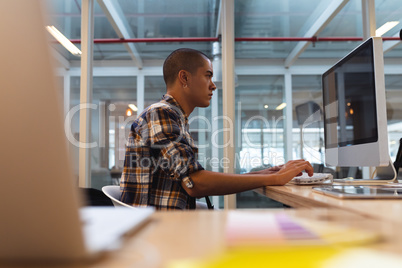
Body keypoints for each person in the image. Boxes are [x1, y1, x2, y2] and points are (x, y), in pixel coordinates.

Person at [120, 48, 313, 210]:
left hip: (168, 228)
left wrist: (267, 173)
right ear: (184, 77)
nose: (213, 85)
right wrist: (275, 179)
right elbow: (194, 183)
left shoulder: (175, 119)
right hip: (157, 235)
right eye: (208, 76)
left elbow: (192, 178)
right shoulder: (160, 114)